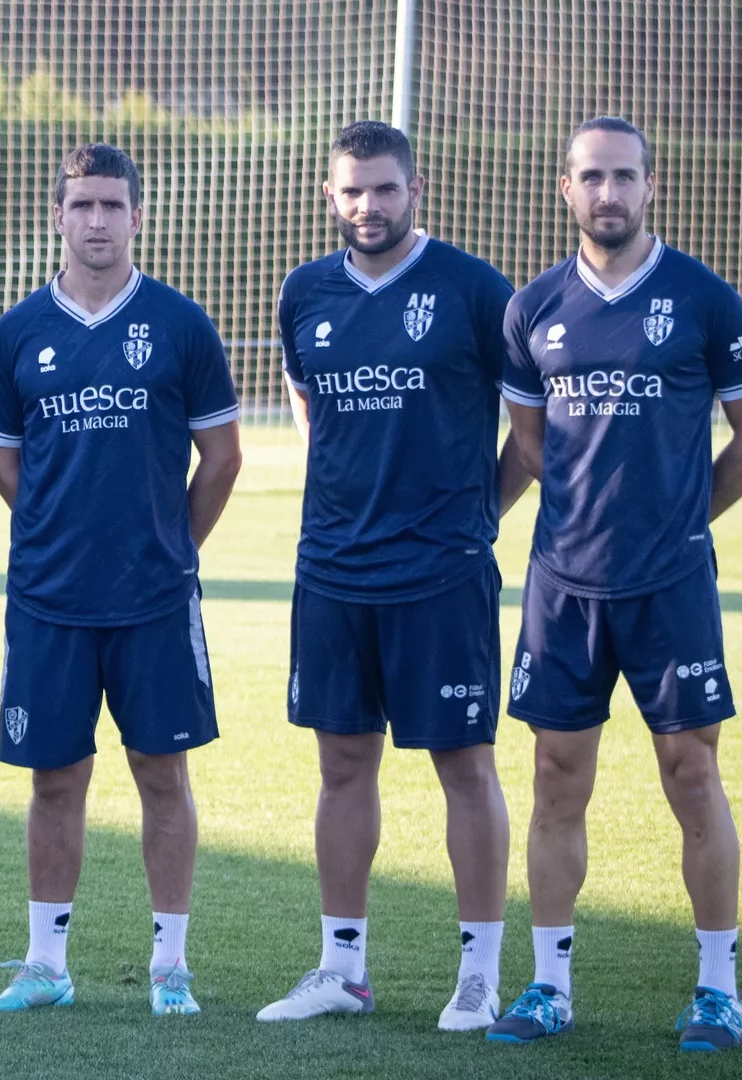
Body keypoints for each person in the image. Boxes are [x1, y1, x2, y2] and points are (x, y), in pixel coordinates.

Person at [486, 116, 742, 1051]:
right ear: (562, 188)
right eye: (590, 177)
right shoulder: (531, 309)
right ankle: (548, 986)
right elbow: (529, 447)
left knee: (693, 775)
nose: (607, 193)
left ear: (650, 187)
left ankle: (719, 989)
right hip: (562, 586)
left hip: (671, 587)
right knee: (553, 780)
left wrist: (685, 519)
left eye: (623, 177)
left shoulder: (703, 299)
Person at [255, 121, 526, 1031]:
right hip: (332, 569)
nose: (368, 207)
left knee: (464, 764)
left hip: (441, 572)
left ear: (418, 191)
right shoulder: (303, 293)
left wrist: (479, 513)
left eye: (384, 189)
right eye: (352, 191)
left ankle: (480, 974)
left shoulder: (475, 289)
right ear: (329, 197)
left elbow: (529, 432)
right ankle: (343, 970)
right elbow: (307, 399)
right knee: (341, 764)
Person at [0, 143, 243, 1017]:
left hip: (155, 597)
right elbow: (6, 465)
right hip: (50, 598)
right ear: (58, 215)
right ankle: (46, 965)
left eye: (112, 205)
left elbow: (222, 456)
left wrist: (172, 542)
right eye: (82, 205)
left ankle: (172, 967)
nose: (97, 220)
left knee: (161, 776)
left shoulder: (178, 322)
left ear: (138, 215)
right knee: (54, 781)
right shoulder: (19, 331)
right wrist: (60, 531)